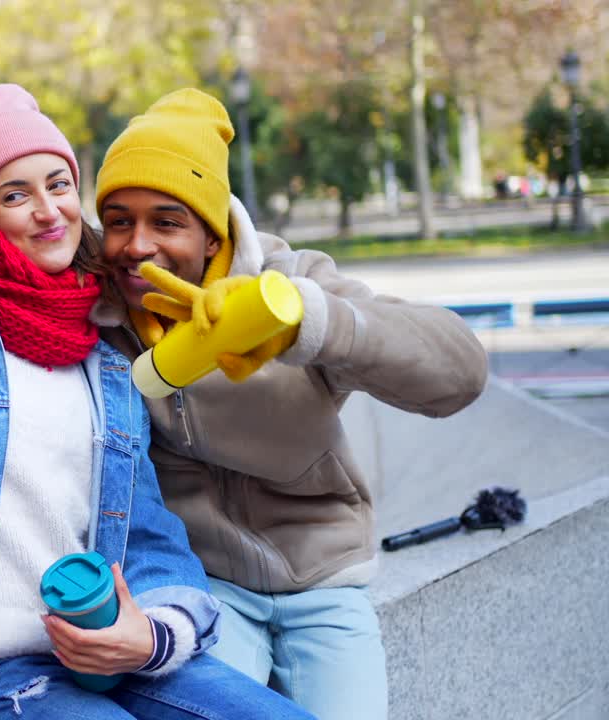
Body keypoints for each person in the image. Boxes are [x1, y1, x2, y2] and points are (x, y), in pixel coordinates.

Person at [0, 77, 315, 720]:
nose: (48, 210)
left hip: (103, 658)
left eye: (58, 185)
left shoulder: (101, 355)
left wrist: (152, 636)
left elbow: (144, 530)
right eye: (16, 194)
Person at [92, 88, 489, 720]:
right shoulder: (100, 311)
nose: (137, 245)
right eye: (118, 220)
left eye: (167, 221)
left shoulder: (287, 281)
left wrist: (311, 322)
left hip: (324, 579)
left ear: (211, 227)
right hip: (205, 587)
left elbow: (461, 369)